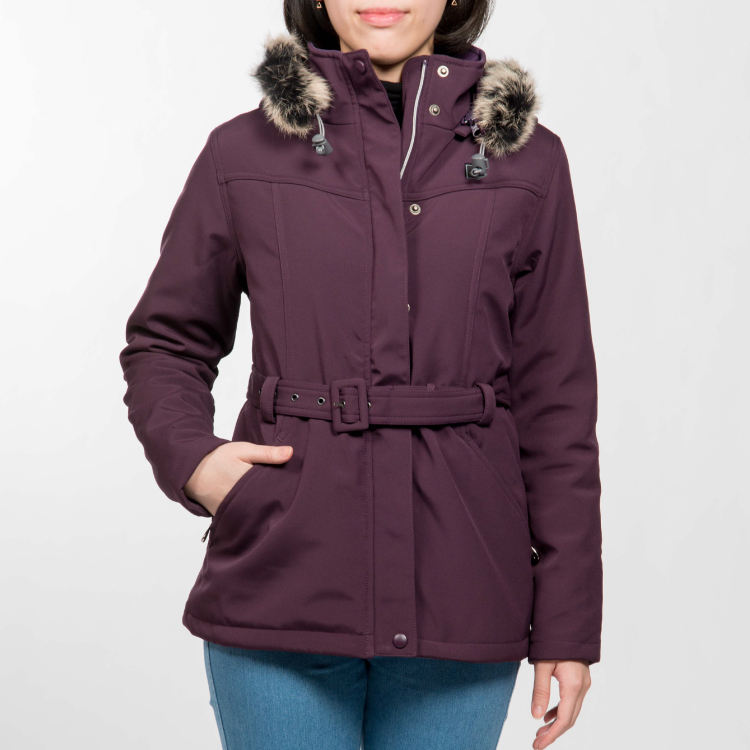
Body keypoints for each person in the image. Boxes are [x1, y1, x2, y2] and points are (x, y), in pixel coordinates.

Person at [119, 1, 602, 748]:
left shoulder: (530, 161)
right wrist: (197, 464)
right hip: (283, 574)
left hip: (466, 583)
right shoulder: (241, 153)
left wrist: (567, 620)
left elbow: (556, 398)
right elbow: (166, 341)